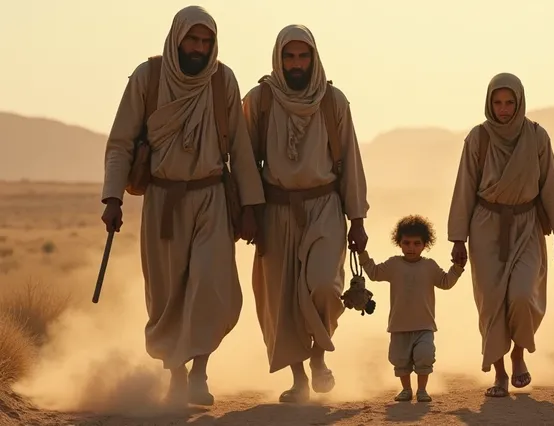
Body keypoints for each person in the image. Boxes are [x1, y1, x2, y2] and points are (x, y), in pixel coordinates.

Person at [100, 6, 264, 406]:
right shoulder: (148, 77)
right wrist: (112, 197)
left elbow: (240, 150)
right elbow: (121, 141)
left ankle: (200, 374)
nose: (199, 48)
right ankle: (175, 373)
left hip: (211, 197)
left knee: (210, 285)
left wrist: (250, 206)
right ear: (177, 38)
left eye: (207, 41)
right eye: (193, 39)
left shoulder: (223, 80)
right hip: (163, 200)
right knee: (167, 293)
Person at [241, 24, 369, 403]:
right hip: (275, 209)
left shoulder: (333, 101)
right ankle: (298, 379)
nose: (296, 64)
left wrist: (357, 219)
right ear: (279, 59)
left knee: (326, 287)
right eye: (289, 56)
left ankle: (318, 356)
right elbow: (245, 163)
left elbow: (352, 163)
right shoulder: (259, 100)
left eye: (303, 56)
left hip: (325, 207)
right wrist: (247, 212)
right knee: (281, 301)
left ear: (314, 58)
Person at [447, 72, 554, 398]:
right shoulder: (478, 138)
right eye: (497, 103)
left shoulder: (536, 136)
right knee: (491, 304)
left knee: (521, 295)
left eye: (509, 103)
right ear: (489, 103)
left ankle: (518, 354)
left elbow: (551, 187)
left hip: (527, 225)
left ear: (520, 103)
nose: (503, 109)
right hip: (486, 226)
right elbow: (464, 189)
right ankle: (500, 373)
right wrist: (458, 238)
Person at [357, 215, 464, 403]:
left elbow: (446, 282)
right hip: (399, 326)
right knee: (400, 360)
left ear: (425, 245)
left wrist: (457, 267)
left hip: (425, 326)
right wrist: (362, 253)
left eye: (416, 243)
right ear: (399, 243)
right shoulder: (393, 264)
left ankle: (422, 390)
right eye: (406, 243)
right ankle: (406, 389)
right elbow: (373, 273)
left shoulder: (429, 266)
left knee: (425, 356)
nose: (411, 248)